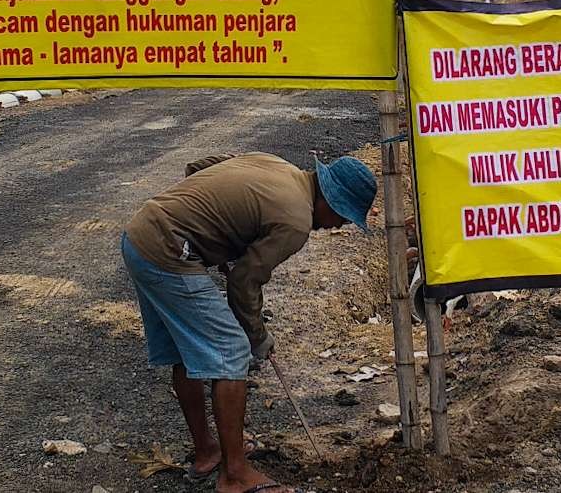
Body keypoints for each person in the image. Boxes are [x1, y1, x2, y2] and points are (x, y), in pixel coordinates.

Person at [122, 152, 377, 493]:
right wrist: (258, 336)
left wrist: (213, 230)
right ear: (330, 200)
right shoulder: (296, 220)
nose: (338, 226)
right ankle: (236, 475)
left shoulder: (277, 164)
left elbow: (198, 168)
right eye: (342, 217)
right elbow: (243, 283)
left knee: (187, 352)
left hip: (141, 235)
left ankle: (208, 453)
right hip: (169, 253)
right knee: (233, 350)